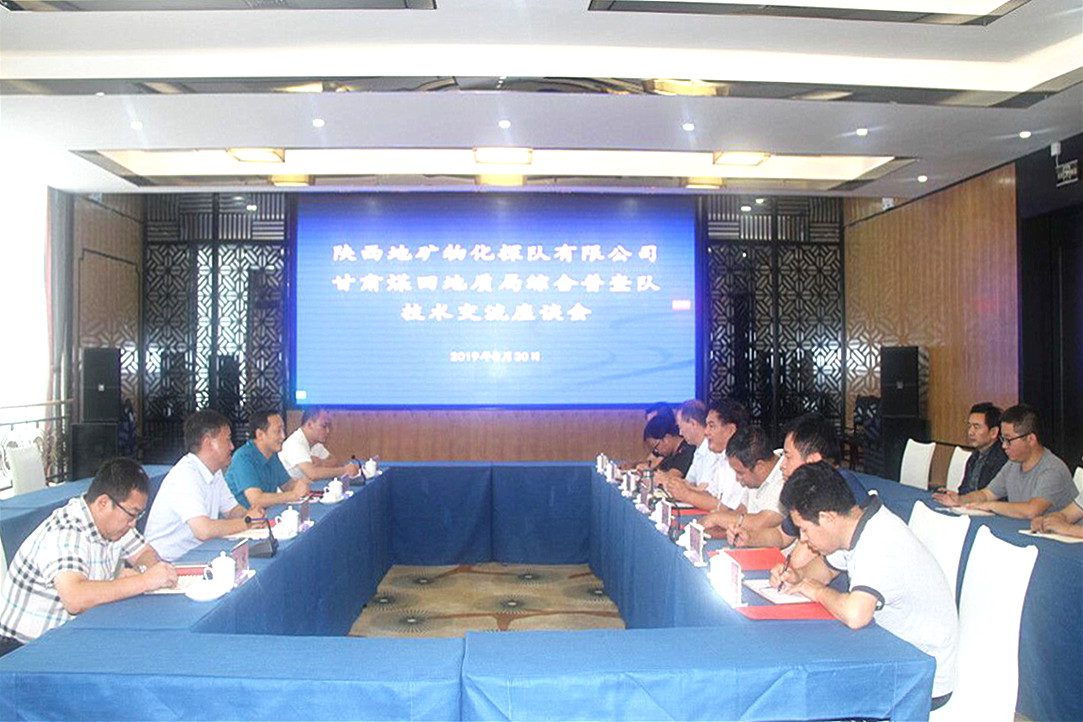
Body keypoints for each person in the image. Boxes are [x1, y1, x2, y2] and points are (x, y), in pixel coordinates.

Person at [775, 462, 958, 708]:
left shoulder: (878, 541)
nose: (804, 539)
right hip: (892, 652)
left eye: (805, 530)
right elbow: (826, 569)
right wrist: (797, 576)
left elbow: (856, 615)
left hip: (920, 676)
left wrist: (816, 590)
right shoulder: (855, 523)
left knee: (808, 692)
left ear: (827, 517)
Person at [0, 458, 178, 656]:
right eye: (131, 514)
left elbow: (145, 553)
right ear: (103, 503)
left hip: (68, 636)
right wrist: (144, 581)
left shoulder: (116, 524)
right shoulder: (66, 531)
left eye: (138, 516)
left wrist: (140, 571)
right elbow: (75, 599)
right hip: (23, 650)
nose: (133, 524)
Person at [144, 409, 267, 562]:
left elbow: (231, 511)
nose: (232, 446)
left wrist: (252, 514)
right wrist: (247, 522)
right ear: (209, 443)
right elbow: (203, 530)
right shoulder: (185, 475)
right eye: (227, 440)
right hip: (166, 562)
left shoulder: (214, 471)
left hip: (196, 553)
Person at [735, 413, 867, 551]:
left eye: (788, 457)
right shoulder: (808, 489)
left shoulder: (841, 488)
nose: (782, 465)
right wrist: (749, 537)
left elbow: (802, 559)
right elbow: (782, 536)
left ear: (813, 460)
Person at [933, 404, 1075, 519]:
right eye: (1002, 439)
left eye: (1009, 440)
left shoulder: (1052, 469)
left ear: (1030, 439)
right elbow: (987, 494)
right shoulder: (1013, 464)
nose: (1004, 446)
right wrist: (961, 500)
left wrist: (991, 505)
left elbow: (1032, 510)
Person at [661, 398, 747, 511]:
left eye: (711, 426)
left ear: (730, 430)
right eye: (706, 425)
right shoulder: (722, 457)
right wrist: (679, 488)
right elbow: (709, 494)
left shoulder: (740, 461)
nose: (706, 432)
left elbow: (725, 507)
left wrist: (686, 494)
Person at [698, 426, 785, 538]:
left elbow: (760, 523)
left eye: (740, 473)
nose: (737, 478)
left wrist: (717, 518)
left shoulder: (785, 477)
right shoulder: (755, 475)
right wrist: (721, 526)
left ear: (759, 467)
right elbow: (741, 511)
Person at [225, 410, 310, 509]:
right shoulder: (243, 457)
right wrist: (293, 495)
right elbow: (256, 500)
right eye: (278, 431)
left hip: (266, 513)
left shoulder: (272, 454)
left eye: (283, 430)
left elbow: (286, 485)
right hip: (243, 516)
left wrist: (300, 485)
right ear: (260, 434)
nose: (283, 436)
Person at [278, 407, 360, 482]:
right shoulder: (295, 443)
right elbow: (312, 474)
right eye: (324, 426)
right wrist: (344, 470)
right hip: (288, 492)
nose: (328, 431)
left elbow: (336, 462)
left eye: (328, 426)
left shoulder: (315, 443)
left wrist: (322, 463)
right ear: (310, 425)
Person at [957, 402, 1008, 495]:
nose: (970, 432)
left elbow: (994, 496)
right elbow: (964, 489)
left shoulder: (1003, 459)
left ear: (993, 432)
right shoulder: (975, 456)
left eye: (976, 427)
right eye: (969, 426)